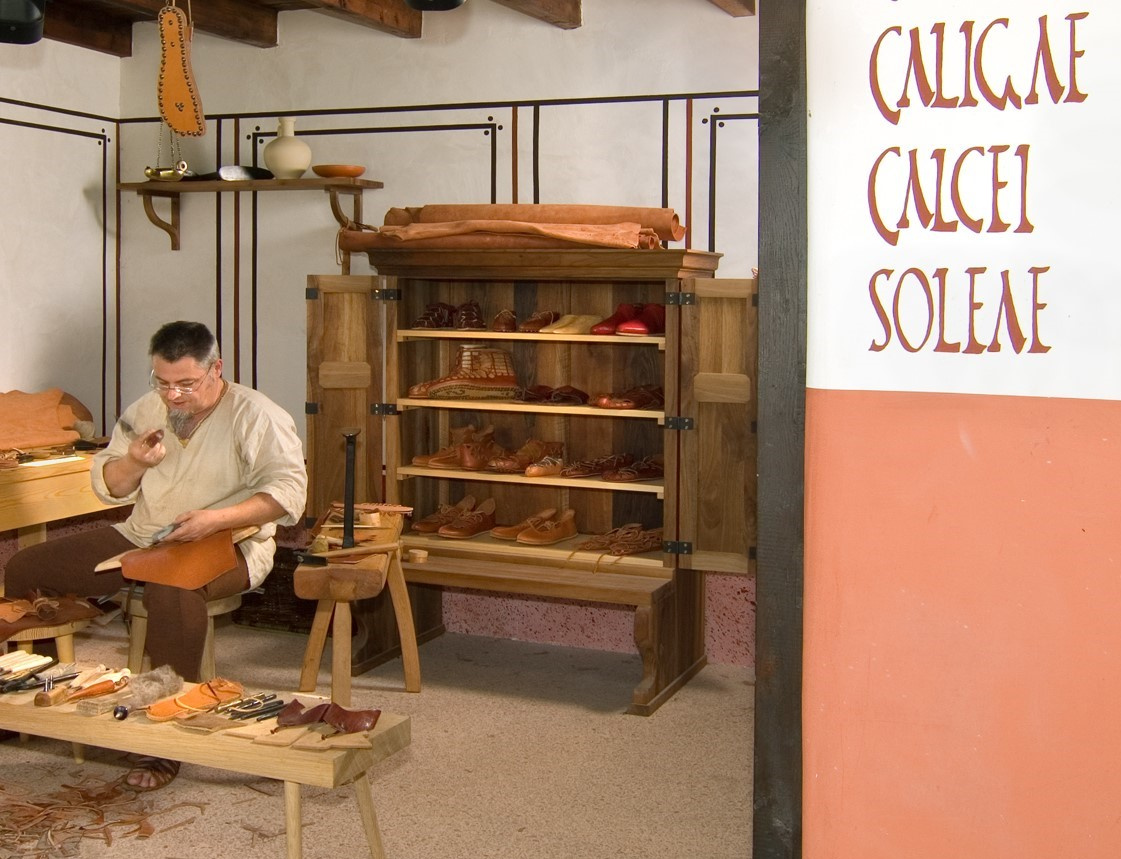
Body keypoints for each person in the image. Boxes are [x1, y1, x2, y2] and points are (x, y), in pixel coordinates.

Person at [3, 321, 307, 790]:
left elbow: (289, 494)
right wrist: (135, 463)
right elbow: (112, 486)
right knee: (27, 568)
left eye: (186, 383)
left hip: (230, 541)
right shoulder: (147, 409)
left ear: (216, 369)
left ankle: (163, 740)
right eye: (163, 383)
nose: (173, 395)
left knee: (170, 591)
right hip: (145, 534)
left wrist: (216, 518)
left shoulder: (256, 415)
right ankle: (43, 697)